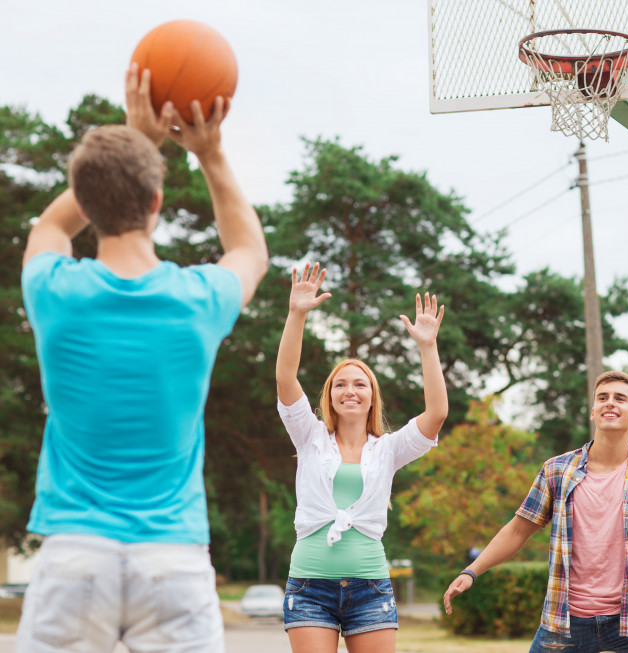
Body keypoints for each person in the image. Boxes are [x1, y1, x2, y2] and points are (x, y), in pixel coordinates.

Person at [17, 64, 268, 653]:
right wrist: (209, 153)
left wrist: (137, 139)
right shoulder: (197, 300)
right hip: (172, 561)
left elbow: (51, 226)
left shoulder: (54, 291)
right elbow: (248, 249)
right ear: (157, 201)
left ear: (85, 199)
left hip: (73, 554)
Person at [443, 370, 628, 653]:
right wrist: (471, 571)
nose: (610, 403)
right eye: (602, 398)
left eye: (620, 398)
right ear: (593, 412)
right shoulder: (557, 470)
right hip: (565, 624)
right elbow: (517, 530)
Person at [275, 261, 448, 653]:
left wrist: (427, 345)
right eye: (340, 383)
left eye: (360, 383)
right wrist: (296, 314)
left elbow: (436, 413)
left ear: (372, 395)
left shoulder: (388, 449)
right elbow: (286, 379)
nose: (349, 390)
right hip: (308, 586)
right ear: (330, 394)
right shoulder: (309, 436)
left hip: (370, 588)